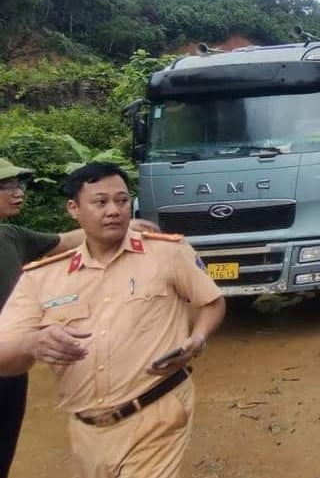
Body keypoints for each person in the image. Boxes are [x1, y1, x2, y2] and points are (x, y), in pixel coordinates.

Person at [0, 162, 224, 478]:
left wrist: (196, 339)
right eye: (101, 202)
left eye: (121, 201)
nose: (114, 211)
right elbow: (5, 352)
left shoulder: (166, 253)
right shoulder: (42, 278)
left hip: (158, 412)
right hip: (87, 430)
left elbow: (212, 301)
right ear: (73, 208)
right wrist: (32, 342)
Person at [0, 158, 157, 478]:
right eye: (6, 186)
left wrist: (125, 228)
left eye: (19, 185)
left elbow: (64, 242)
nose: (17, 192)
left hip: (12, 366)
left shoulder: (11, 236)